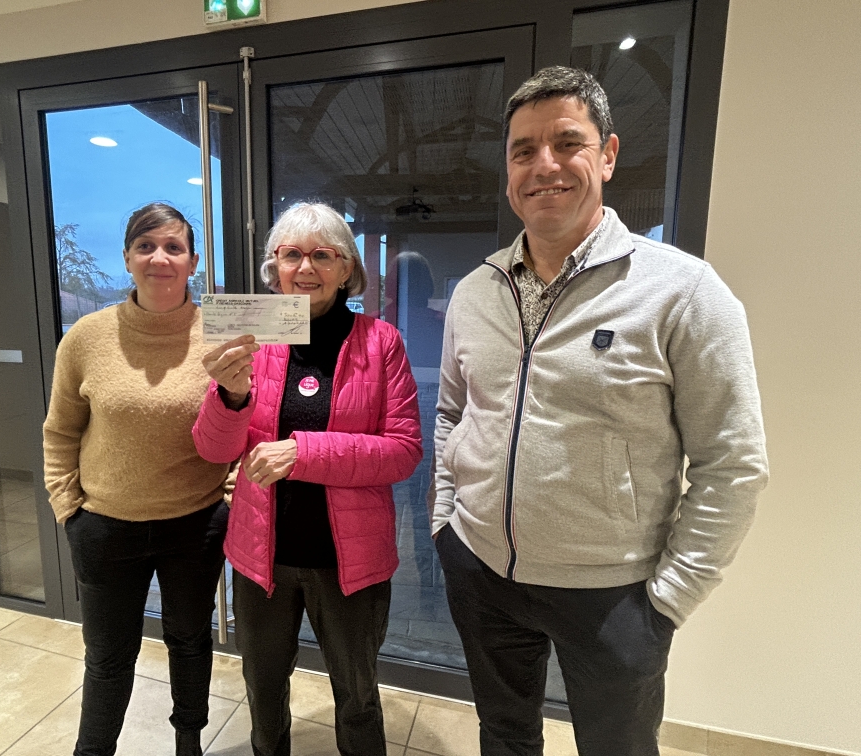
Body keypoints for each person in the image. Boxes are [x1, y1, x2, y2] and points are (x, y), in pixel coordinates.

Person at [431, 66, 769, 755]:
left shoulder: (682, 292)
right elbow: (452, 414)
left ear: (608, 155)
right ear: (508, 172)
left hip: (614, 594)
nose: (544, 165)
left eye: (567, 143)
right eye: (524, 150)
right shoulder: (474, 291)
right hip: (481, 571)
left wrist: (668, 599)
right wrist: (446, 524)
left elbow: (732, 464)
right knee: (504, 736)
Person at [192, 202, 422, 756]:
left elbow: (403, 451)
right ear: (274, 266)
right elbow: (213, 449)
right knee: (263, 689)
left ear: (347, 269)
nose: (306, 267)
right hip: (261, 557)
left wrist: (303, 453)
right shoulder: (253, 339)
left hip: (349, 563)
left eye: (323, 254)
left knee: (358, 696)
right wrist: (231, 397)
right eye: (292, 254)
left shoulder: (381, 342)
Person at [43, 202, 231, 756]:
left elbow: (247, 420)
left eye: (174, 247)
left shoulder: (224, 333)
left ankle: (189, 742)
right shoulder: (87, 337)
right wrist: (69, 508)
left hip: (194, 525)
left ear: (192, 261)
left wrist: (227, 498)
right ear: (127, 258)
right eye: (146, 246)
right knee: (107, 656)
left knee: (190, 641)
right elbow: (60, 430)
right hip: (104, 526)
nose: (160, 258)